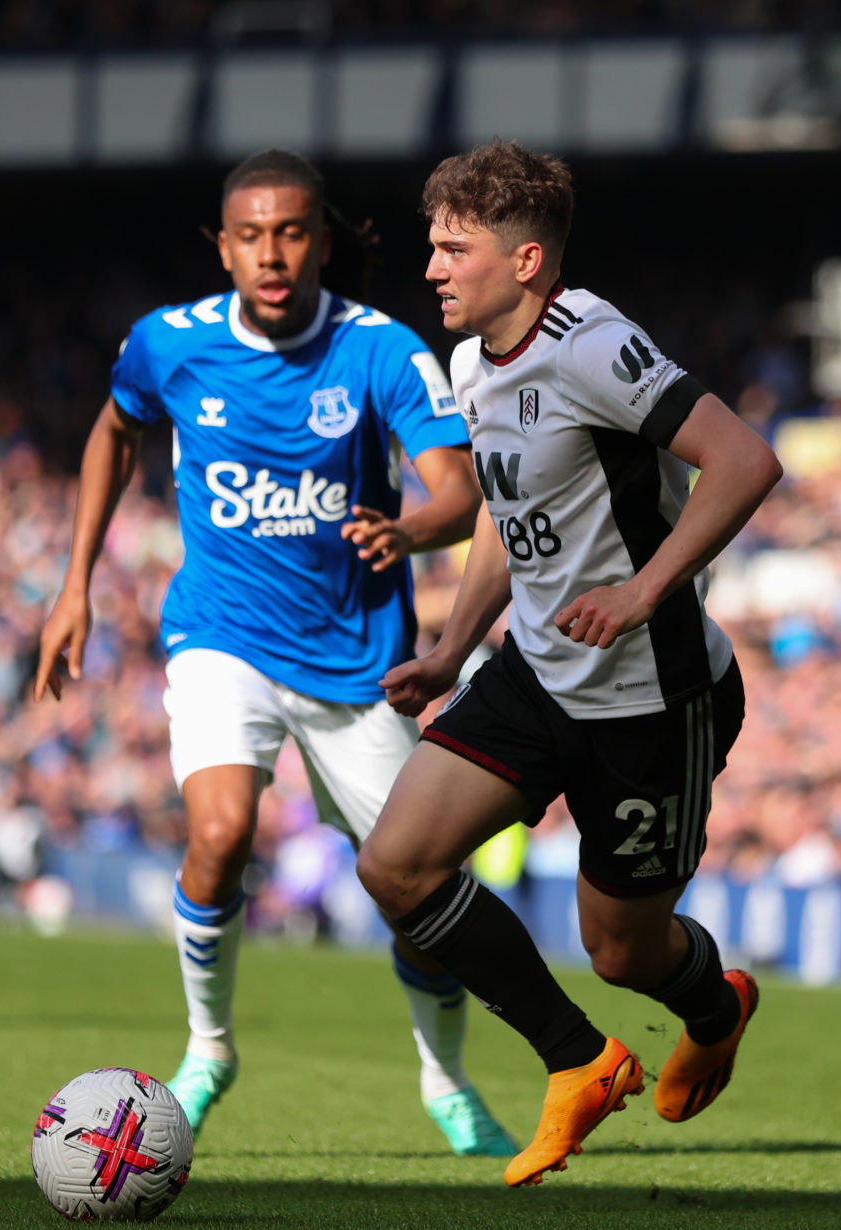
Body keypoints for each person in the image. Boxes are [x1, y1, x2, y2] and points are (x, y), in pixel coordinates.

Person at [34, 149, 512, 1155]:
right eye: (250, 235)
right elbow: (112, 436)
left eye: (291, 232)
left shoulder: (381, 349)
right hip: (222, 636)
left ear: (323, 240)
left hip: (358, 661)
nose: (272, 252)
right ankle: (209, 1049)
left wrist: (410, 530)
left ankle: (445, 1074)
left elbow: (460, 491)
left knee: (413, 885)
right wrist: (74, 582)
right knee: (217, 834)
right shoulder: (169, 343)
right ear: (223, 246)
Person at [355, 140, 784, 1186]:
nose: (433, 268)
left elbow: (745, 460)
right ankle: (580, 1058)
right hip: (538, 672)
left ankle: (716, 1006)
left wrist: (645, 591)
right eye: (432, 245)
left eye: (455, 248)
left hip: (651, 700)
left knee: (623, 952)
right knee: (394, 864)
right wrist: (454, 646)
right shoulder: (469, 360)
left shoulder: (591, 344)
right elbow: (510, 511)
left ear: (529, 259)